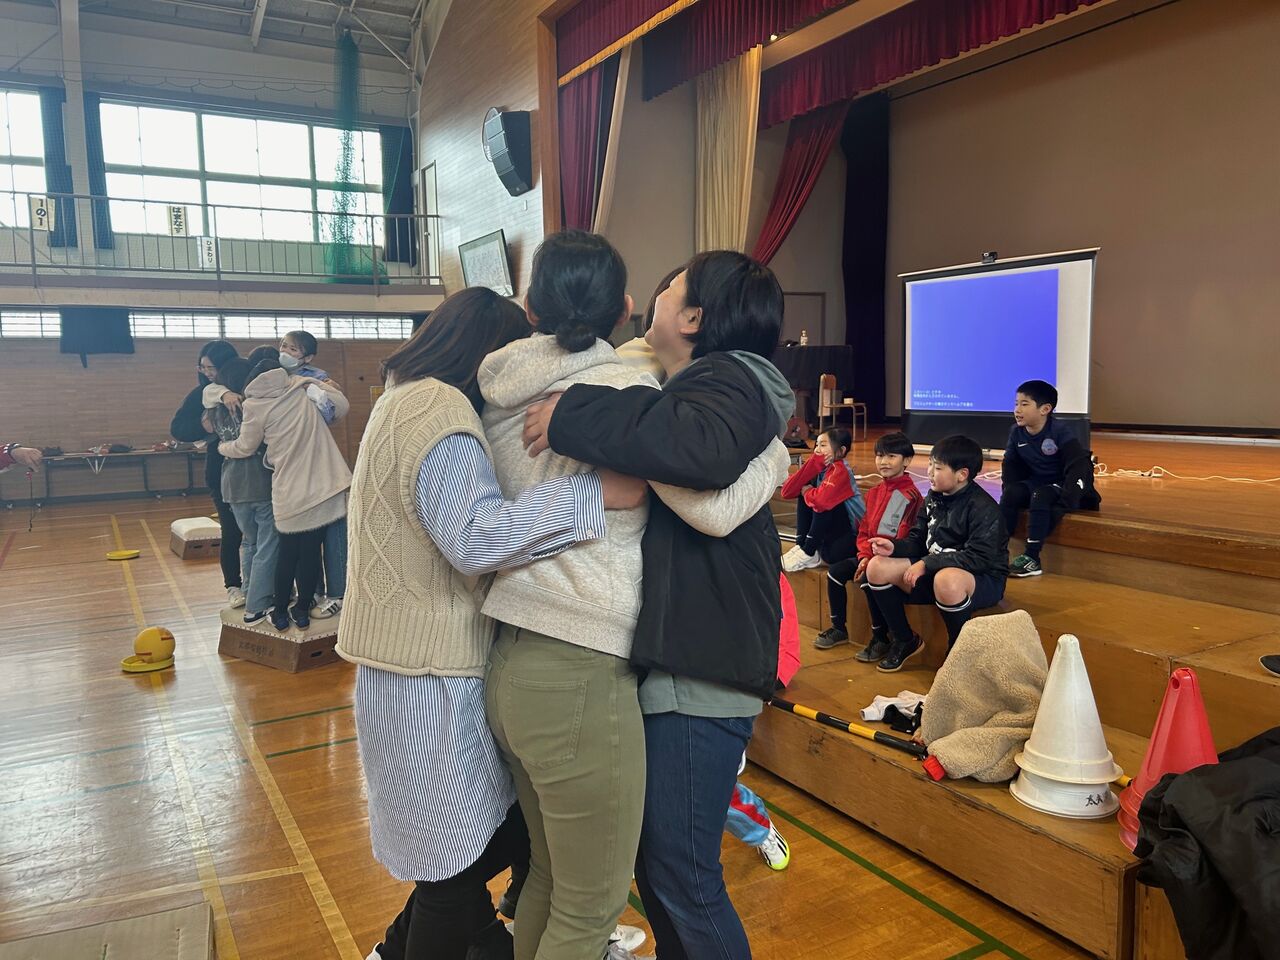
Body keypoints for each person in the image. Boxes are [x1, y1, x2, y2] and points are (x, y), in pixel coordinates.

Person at [334, 287, 647, 960]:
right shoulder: (440, 411)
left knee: (461, 857)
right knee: (454, 873)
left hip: (405, 666)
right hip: (429, 677)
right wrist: (592, 494)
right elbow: (474, 538)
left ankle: (398, 949)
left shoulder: (398, 399)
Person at [522, 249, 793, 960]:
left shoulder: (729, 379)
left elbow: (692, 455)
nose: (654, 297)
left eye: (670, 288)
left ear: (696, 316)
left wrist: (572, 413)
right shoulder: (708, 383)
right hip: (693, 654)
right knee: (665, 871)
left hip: (706, 663)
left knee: (683, 875)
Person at [218, 357, 350, 632]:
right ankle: (302, 610)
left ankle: (279, 611)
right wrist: (321, 384)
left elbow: (245, 447)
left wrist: (223, 448)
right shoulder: (301, 388)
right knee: (311, 552)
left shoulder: (254, 404)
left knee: (287, 553)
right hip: (322, 484)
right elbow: (341, 406)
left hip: (289, 488)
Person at [865, 435, 1008, 673]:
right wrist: (895, 547)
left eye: (938, 467)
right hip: (935, 571)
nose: (929, 472)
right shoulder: (933, 497)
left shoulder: (984, 508)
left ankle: (958, 654)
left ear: (962, 474)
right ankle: (904, 639)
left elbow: (979, 558)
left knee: (947, 579)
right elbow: (917, 540)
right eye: (930, 464)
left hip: (981, 579)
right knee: (877, 566)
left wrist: (926, 564)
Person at [817, 431, 925, 660]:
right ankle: (839, 628)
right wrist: (864, 555)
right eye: (880, 456)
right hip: (870, 554)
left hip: (892, 559)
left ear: (906, 460)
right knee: (835, 572)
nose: (883, 461)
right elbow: (865, 530)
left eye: (891, 456)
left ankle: (881, 637)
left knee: (869, 578)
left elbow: (901, 538)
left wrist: (870, 560)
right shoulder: (875, 491)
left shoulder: (908, 495)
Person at [275, 330, 348, 619]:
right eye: (283, 345)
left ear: (307, 357)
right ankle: (309, 591)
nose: (285, 352)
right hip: (292, 470)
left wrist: (322, 390)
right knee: (301, 541)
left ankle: (336, 593)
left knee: (326, 535)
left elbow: (332, 412)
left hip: (320, 468)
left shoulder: (318, 378)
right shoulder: (273, 376)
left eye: (292, 349)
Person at [1000, 379, 1100, 578]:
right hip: (1037, 481)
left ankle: (1032, 557)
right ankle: (998, 550)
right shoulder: (1016, 433)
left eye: (1024, 404)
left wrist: (1067, 501)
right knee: (1011, 493)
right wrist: (1014, 492)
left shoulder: (1060, 432)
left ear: (1045, 409)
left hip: (1061, 483)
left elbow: (1078, 467)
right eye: (1016, 403)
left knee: (1041, 495)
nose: (1017, 410)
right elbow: (1010, 465)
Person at [170, 340, 244, 607]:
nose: (207, 372)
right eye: (202, 367)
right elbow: (178, 429)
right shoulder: (200, 393)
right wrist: (204, 426)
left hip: (254, 473)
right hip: (220, 471)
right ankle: (233, 585)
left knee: (258, 534)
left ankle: (260, 583)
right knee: (232, 532)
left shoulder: (245, 387)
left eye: (212, 367)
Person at [205, 358, 278, 625]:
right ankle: (258, 602)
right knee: (267, 544)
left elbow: (206, 415)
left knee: (249, 542)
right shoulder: (252, 406)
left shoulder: (214, 412)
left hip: (231, 485)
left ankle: (248, 591)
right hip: (258, 482)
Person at [779, 427, 866, 572]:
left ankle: (809, 551)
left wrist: (808, 492)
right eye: (817, 445)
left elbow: (821, 503)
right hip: (828, 538)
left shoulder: (841, 470)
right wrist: (813, 464)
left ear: (841, 451)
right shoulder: (819, 467)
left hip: (850, 538)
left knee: (821, 499)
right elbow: (787, 492)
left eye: (823, 445)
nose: (817, 450)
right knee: (806, 491)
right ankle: (802, 546)